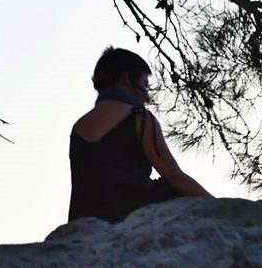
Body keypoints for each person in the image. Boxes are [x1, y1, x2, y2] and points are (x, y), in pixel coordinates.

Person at [68, 47, 212, 223]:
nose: (147, 97)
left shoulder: (78, 127)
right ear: (128, 78)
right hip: (132, 216)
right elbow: (173, 175)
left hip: (84, 220)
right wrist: (220, 207)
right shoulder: (139, 117)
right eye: (145, 85)